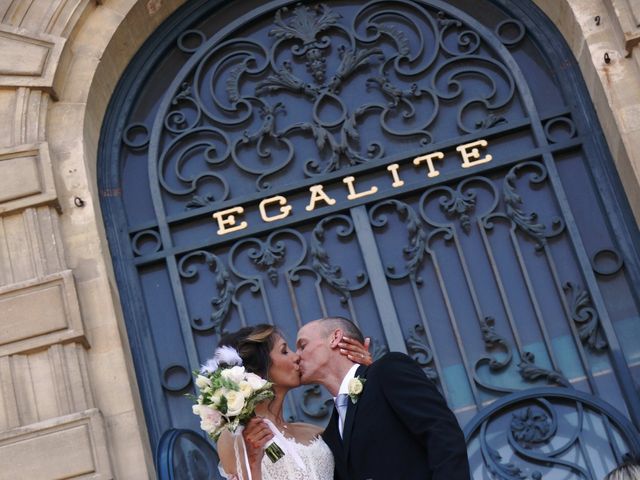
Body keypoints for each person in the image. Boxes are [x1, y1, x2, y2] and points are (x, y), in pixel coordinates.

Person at [296, 316, 470, 480]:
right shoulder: (331, 435)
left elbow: (443, 434)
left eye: (302, 345)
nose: (296, 356)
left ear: (335, 338)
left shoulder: (387, 371)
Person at [215, 324, 371, 480]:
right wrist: (252, 462)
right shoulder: (237, 436)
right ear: (260, 368)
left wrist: (364, 375)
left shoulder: (316, 432)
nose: (296, 357)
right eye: (284, 351)